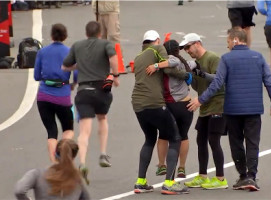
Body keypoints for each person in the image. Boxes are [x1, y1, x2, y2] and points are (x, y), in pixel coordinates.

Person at [188, 28, 271, 191]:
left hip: (233, 109)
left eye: (228, 42)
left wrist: (201, 99)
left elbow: (217, 83)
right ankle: (252, 176)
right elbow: (269, 82)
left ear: (236, 40)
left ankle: (242, 176)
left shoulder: (227, 59)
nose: (228, 45)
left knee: (236, 142)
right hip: (253, 108)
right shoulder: (258, 57)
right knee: (252, 143)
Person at [62, 21, 120, 185]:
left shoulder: (77, 45)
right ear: (100, 33)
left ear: (86, 33)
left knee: (84, 131)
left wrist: (77, 66)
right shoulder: (105, 44)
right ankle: (102, 153)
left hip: (84, 91)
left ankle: (82, 162)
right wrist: (115, 76)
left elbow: (65, 66)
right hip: (102, 90)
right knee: (102, 119)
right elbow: (113, 57)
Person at [132, 30, 189, 195]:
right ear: (157, 40)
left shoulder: (138, 57)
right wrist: (185, 75)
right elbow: (170, 68)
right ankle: (169, 183)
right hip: (154, 102)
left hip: (137, 104)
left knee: (149, 139)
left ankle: (140, 181)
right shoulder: (158, 49)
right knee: (175, 137)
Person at [179, 33, 228, 190]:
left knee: (214, 140)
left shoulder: (213, 58)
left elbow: (219, 79)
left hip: (217, 103)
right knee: (201, 140)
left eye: (188, 47)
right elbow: (198, 87)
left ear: (197, 43)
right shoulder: (195, 62)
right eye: (184, 48)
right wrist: (190, 77)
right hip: (204, 105)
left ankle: (220, 178)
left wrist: (201, 73)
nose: (187, 50)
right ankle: (202, 176)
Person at [145, 40, 195, 178]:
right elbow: (194, 63)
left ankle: (162, 165)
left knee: (164, 135)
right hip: (186, 105)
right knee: (183, 136)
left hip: (170, 104)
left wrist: (156, 65)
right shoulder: (186, 63)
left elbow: (171, 62)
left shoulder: (169, 61)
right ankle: (182, 168)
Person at [34, 23, 76, 163]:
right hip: (62, 96)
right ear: (65, 36)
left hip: (44, 96)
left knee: (51, 132)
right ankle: (63, 155)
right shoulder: (69, 52)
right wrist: (73, 84)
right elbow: (76, 74)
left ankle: (54, 163)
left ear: (51, 35)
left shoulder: (42, 52)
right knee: (68, 128)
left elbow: (36, 76)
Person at [14, 139, 90, 200]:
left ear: (54, 153)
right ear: (73, 157)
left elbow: (19, 190)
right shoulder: (76, 180)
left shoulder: (37, 174)